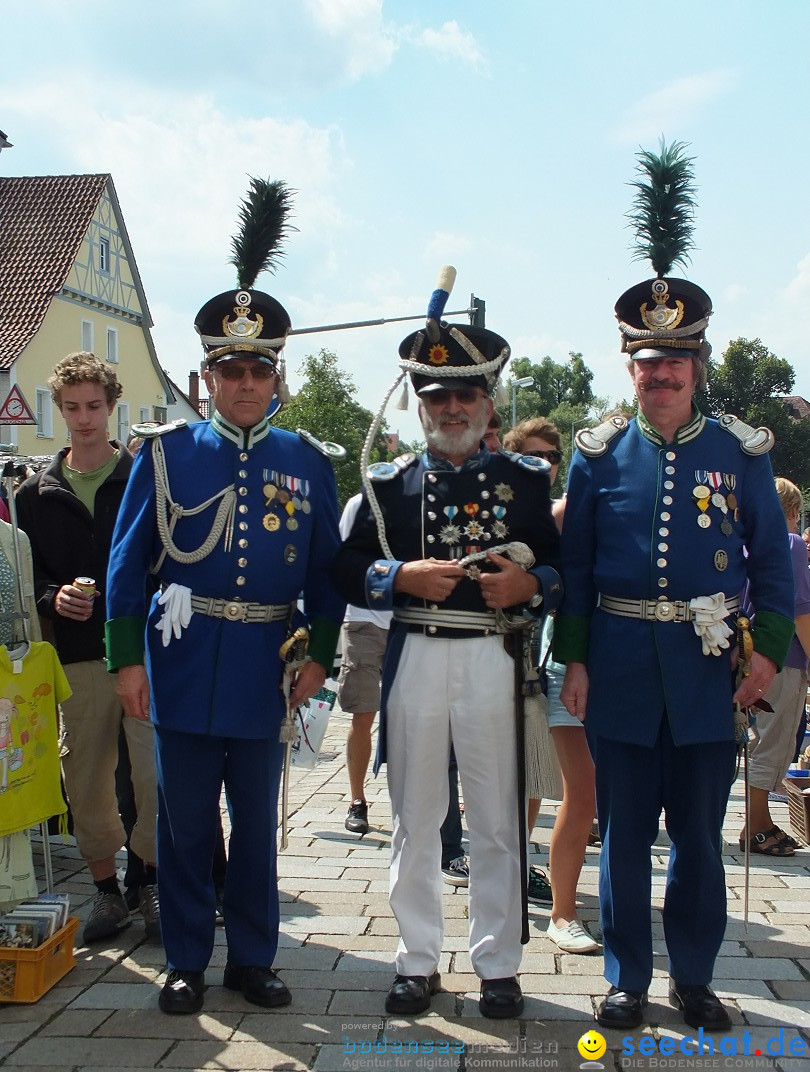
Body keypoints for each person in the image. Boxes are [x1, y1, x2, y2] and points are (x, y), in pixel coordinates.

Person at [554, 272, 794, 1031]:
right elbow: (579, 571)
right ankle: (627, 979)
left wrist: (769, 656)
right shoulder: (596, 453)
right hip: (621, 666)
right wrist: (578, 660)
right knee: (623, 833)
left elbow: (772, 565)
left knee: (698, 833)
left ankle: (694, 978)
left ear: (697, 366)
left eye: (674, 362)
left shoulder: (739, 451)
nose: (660, 375)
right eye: (646, 362)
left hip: (704, 669)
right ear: (630, 366)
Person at [105, 285, 345, 1015]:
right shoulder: (167, 454)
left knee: (257, 824)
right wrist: (127, 661)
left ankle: (252, 958)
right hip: (180, 660)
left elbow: (327, 572)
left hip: (263, 668)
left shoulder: (307, 463)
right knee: (184, 825)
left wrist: (320, 656)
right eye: (231, 371)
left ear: (277, 379)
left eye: (260, 371)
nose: (246, 385)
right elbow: (126, 562)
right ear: (206, 378)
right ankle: (184, 960)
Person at [334, 296, 562, 1019]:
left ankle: (498, 965)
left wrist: (531, 583)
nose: (452, 407)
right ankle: (416, 959)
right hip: (417, 656)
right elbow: (343, 570)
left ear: (487, 400)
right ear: (416, 403)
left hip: (495, 657)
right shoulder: (386, 484)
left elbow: (563, 570)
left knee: (496, 816)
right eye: (437, 396)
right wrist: (400, 577)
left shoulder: (528, 481)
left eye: (466, 393)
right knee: (417, 814)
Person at [15, 352, 160, 945]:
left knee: (153, 776)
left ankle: (147, 881)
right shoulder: (34, 493)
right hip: (76, 652)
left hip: (143, 652)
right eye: (71, 408)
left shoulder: (145, 478)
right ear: (58, 408)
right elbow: (31, 577)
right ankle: (106, 893)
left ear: (111, 406)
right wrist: (54, 598)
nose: (82, 418)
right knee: (85, 782)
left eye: (93, 407)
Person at [504, 417, 597, 951]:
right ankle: (558, 911)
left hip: (594, 661)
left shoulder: (576, 512)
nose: (548, 464)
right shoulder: (539, 517)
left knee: (554, 788)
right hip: (549, 662)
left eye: (554, 456)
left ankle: (539, 889)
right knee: (560, 787)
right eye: (534, 457)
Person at [739, 477, 810, 855]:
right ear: (793, 512)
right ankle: (758, 823)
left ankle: (757, 819)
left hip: (747, 656)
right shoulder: (791, 544)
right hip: (784, 658)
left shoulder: (744, 545)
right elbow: (799, 610)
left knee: (757, 740)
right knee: (775, 741)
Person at [338, 492, 391, 835]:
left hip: (411, 621)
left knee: (415, 718)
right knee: (363, 713)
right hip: (363, 618)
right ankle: (357, 800)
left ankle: (415, 802)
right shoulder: (361, 503)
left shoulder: (427, 498)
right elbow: (340, 559)